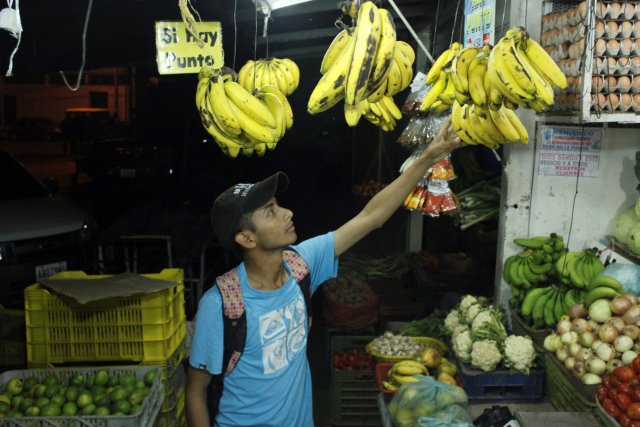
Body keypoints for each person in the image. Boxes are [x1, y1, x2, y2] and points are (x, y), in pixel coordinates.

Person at [186, 118, 462, 427]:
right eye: (270, 212)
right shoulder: (221, 304)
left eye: (279, 205)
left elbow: (371, 217)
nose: (287, 213)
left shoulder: (301, 263)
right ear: (247, 238)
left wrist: (427, 157)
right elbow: (196, 392)